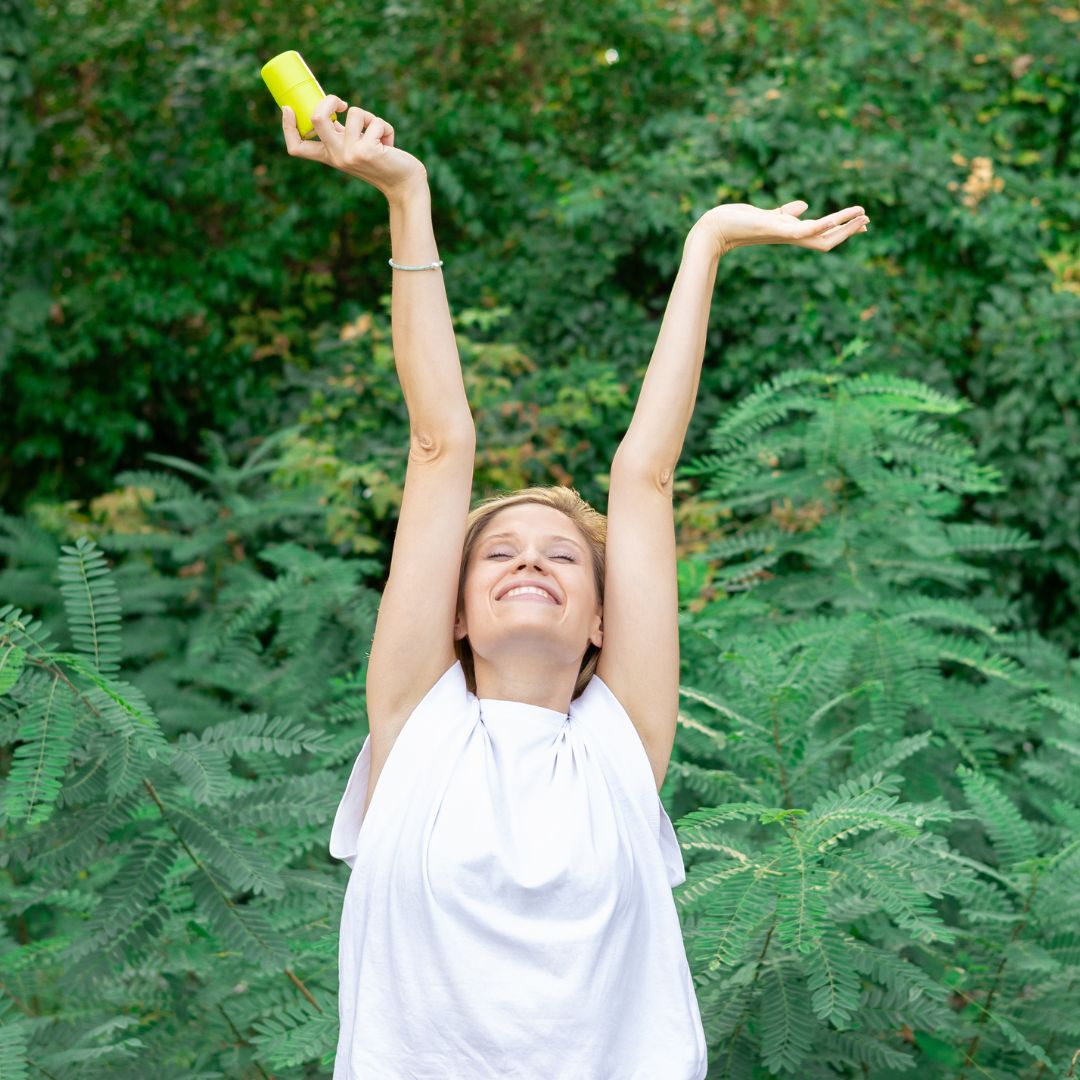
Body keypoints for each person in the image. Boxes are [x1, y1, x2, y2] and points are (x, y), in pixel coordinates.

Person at [281, 94, 869, 1080]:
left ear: (603, 620)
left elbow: (644, 473)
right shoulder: (414, 725)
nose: (528, 562)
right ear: (456, 615)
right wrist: (408, 193)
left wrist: (710, 240)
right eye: (499, 552)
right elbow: (440, 442)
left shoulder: (617, 742)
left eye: (561, 556)